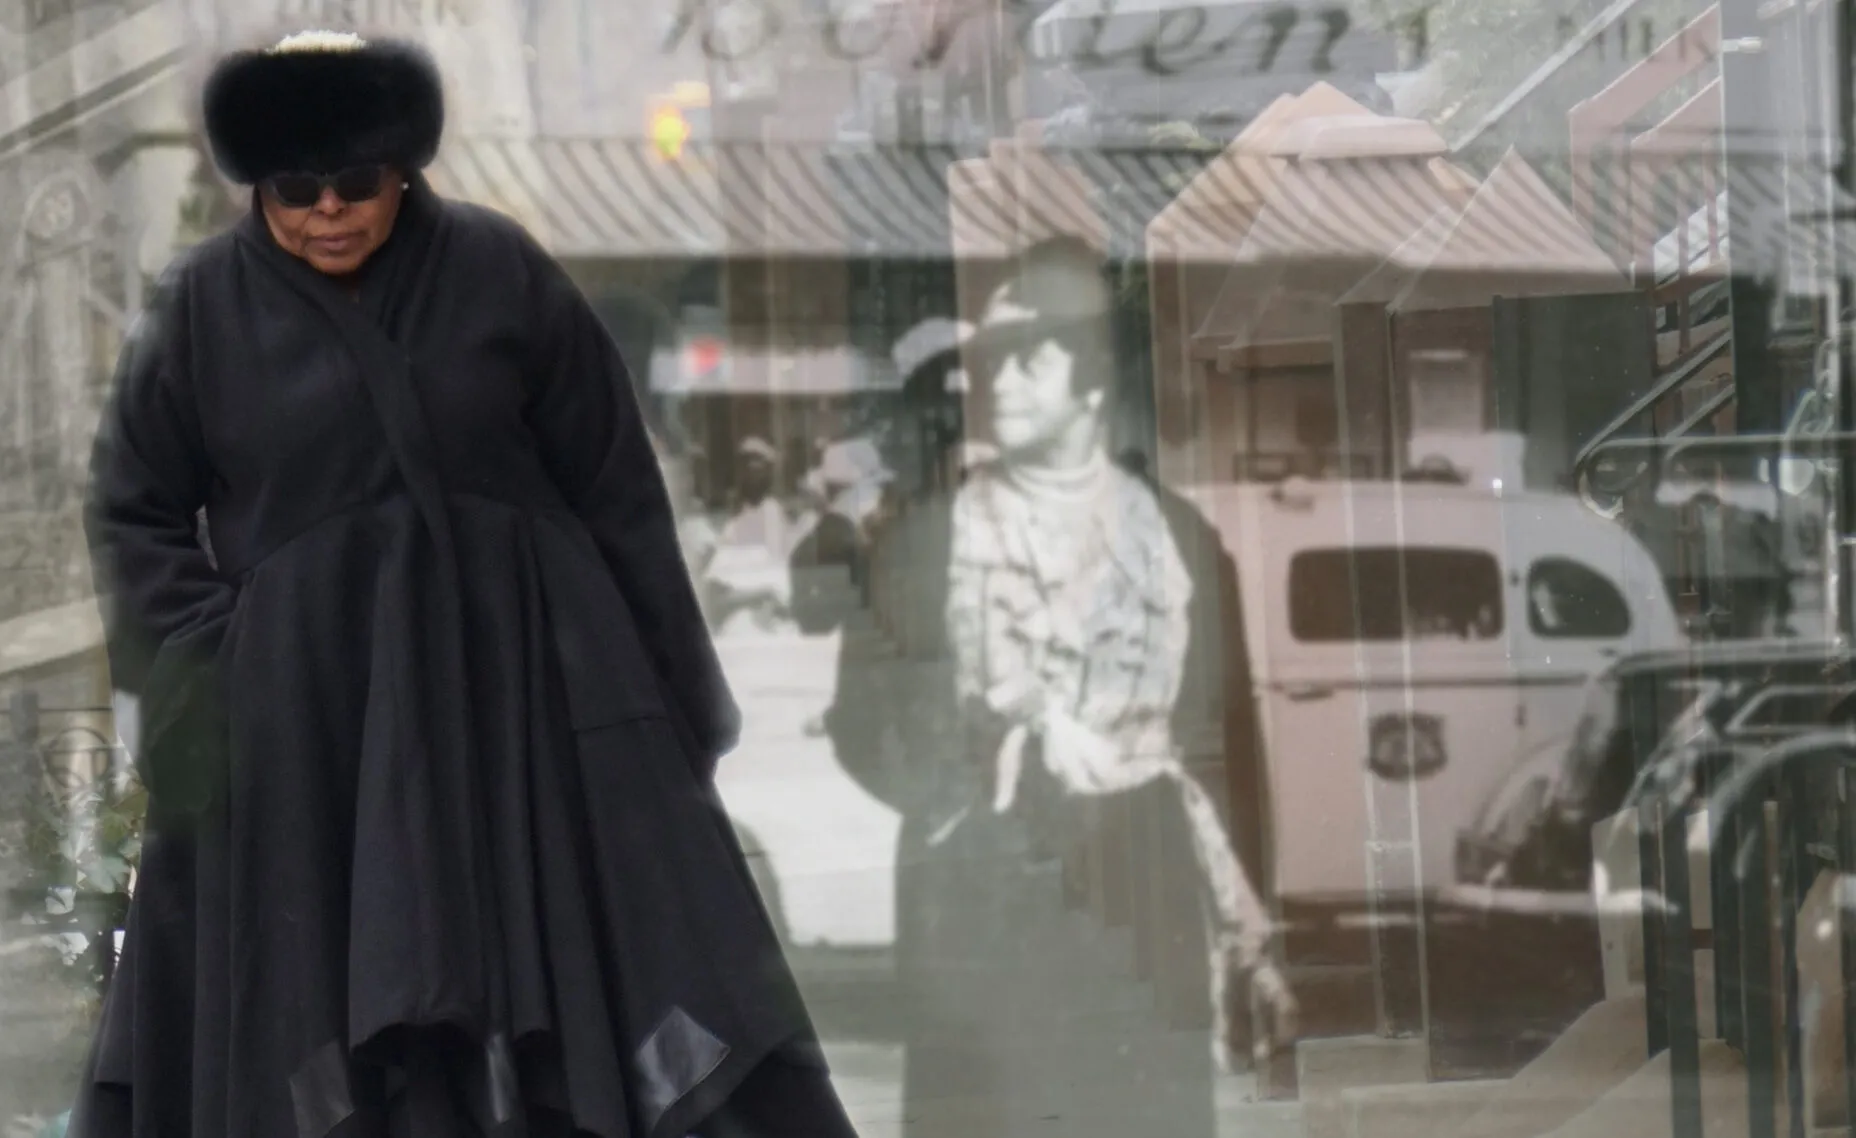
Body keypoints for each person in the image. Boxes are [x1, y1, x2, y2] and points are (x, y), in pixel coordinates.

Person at [71, 30, 855, 1138]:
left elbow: (613, 488)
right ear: (254, 190)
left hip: (519, 702)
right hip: (314, 725)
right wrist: (221, 661)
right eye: (295, 189)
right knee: (325, 1006)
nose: (328, 211)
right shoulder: (198, 305)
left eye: (357, 182)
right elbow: (130, 507)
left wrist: (667, 705)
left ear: (404, 171)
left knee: (583, 980)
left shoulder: (501, 270)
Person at [792, 240, 1291, 1136]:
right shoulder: (924, 545)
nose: (1002, 383)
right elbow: (866, 719)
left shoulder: (1178, 542)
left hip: (1145, 905)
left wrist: (1247, 934)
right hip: (984, 915)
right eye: (992, 362)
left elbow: (1230, 747)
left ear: (1093, 377)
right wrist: (971, 793)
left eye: (1031, 358)